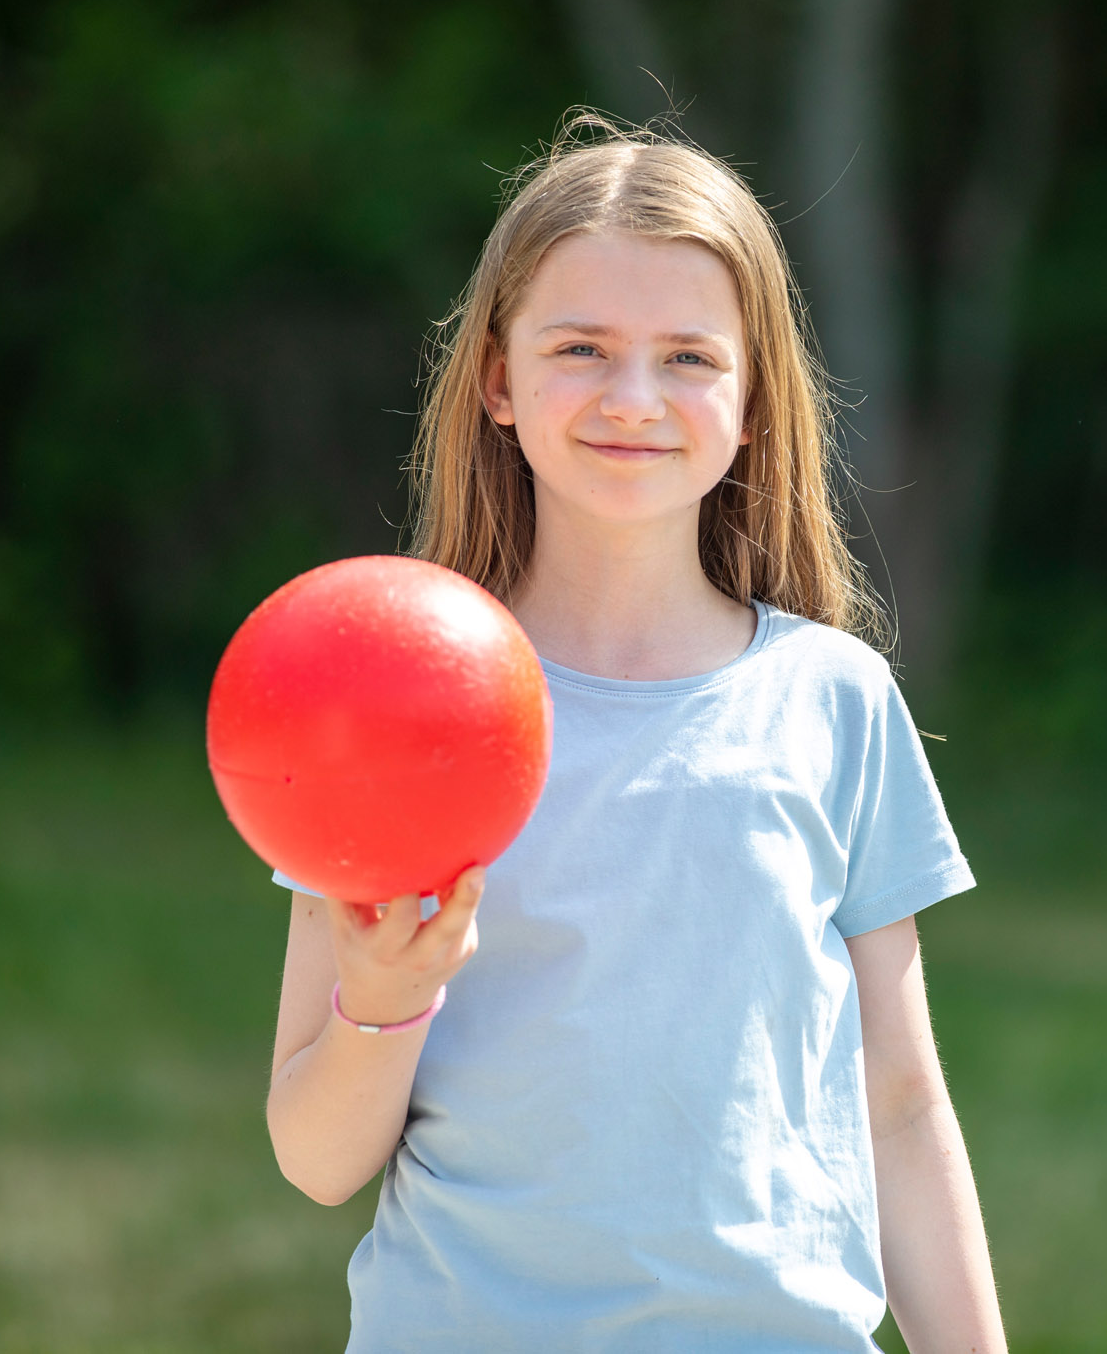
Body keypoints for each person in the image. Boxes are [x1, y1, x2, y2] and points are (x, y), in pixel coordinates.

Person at [264, 114, 1006, 1352]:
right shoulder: (394, 699)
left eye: (687, 358)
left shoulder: (834, 697)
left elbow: (898, 1107)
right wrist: (382, 1000)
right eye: (580, 348)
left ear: (754, 398)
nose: (632, 398)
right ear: (497, 381)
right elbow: (315, 1160)